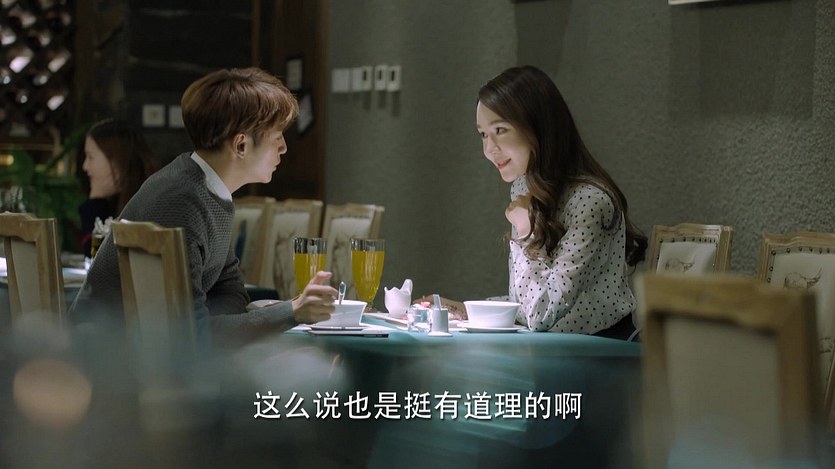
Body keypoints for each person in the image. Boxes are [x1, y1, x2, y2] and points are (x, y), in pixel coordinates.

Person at [69, 67, 337, 343]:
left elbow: (231, 290)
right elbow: (194, 338)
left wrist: (216, 320)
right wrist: (291, 311)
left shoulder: (204, 188)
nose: (284, 148)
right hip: (109, 355)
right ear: (241, 146)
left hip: (135, 351)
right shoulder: (182, 200)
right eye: (277, 137)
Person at [430, 66, 646, 338]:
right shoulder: (525, 188)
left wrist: (527, 231)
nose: (489, 149)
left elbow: (540, 315)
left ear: (538, 128)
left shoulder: (590, 201)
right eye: (483, 134)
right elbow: (527, 301)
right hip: (553, 348)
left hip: (602, 349)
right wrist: (463, 310)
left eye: (500, 130)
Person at [79, 118, 158, 257]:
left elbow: (101, 261)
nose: (85, 166)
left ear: (117, 161)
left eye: (90, 157)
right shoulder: (111, 204)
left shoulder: (148, 206)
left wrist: (95, 202)